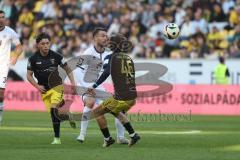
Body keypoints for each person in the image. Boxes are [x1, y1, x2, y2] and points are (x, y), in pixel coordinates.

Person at [75, 28, 128, 144]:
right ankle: (82, 134)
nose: (106, 38)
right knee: (90, 101)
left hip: (98, 87)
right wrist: (88, 87)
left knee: (120, 107)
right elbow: (78, 72)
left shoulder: (108, 53)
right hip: (84, 85)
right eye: (102, 36)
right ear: (95, 38)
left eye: (106, 36)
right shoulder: (88, 53)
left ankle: (120, 137)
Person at [88, 34, 140, 147]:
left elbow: (106, 72)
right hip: (132, 96)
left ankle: (108, 139)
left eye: (110, 42)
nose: (108, 43)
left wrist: (94, 85)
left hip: (121, 98)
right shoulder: (128, 58)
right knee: (116, 111)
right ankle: (133, 135)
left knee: (96, 112)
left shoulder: (110, 57)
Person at [27, 33, 77, 144]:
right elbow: (29, 75)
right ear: (38, 45)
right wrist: (37, 86)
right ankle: (68, 115)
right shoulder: (33, 59)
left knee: (54, 111)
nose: (46, 46)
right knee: (57, 113)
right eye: (43, 43)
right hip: (44, 90)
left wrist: (73, 83)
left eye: (47, 43)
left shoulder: (56, 56)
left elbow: (68, 69)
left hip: (57, 86)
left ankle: (57, 139)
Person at [0, 10, 23, 125]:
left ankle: (0, 113)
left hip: (3, 66)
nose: (1, 19)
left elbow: (19, 47)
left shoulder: (10, 32)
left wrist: (15, 57)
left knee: (0, 93)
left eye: (3, 17)